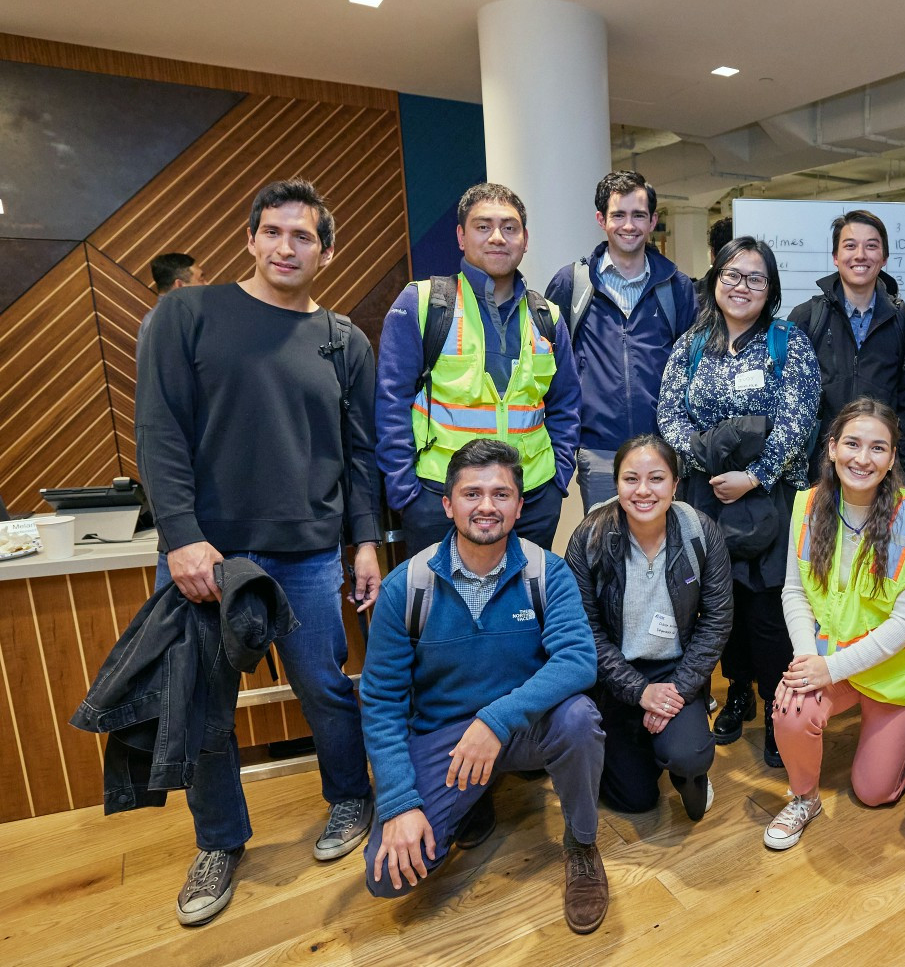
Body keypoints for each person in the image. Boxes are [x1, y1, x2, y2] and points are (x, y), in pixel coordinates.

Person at [135, 178, 381, 926]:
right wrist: (181, 537)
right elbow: (159, 433)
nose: (285, 246)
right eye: (273, 231)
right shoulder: (186, 314)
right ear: (249, 238)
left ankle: (349, 798)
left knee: (325, 689)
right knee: (204, 708)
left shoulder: (344, 340)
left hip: (307, 553)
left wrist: (365, 542)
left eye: (302, 236)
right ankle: (219, 841)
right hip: (209, 555)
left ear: (326, 252)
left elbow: (360, 454)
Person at [358, 439, 609, 934]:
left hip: (522, 727)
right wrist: (398, 803)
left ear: (519, 507)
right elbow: (381, 701)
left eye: (501, 494)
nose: (487, 506)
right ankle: (475, 793)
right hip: (445, 736)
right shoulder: (405, 587)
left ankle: (581, 844)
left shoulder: (546, 572)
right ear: (448, 504)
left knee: (580, 717)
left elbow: (579, 660)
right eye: (472, 494)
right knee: (388, 878)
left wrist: (495, 721)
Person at [657, 236, 820, 767]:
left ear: (769, 288)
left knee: (767, 608)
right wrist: (709, 464)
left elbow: (800, 421)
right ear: (714, 278)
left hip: (769, 496)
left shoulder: (787, 343)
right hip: (706, 494)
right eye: (731, 274)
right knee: (718, 603)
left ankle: (779, 708)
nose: (740, 286)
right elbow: (669, 418)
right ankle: (739, 692)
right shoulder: (692, 345)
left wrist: (752, 474)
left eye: (754, 278)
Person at [766, 398, 905, 849]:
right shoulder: (807, 506)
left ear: (891, 459)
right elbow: (794, 591)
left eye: (877, 448)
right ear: (831, 448)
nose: (862, 459)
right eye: (852, 444)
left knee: (872, 792)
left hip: (894, 674)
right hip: (830, 659)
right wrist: (808, 660)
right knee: (790, 704)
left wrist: (830, 669)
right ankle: (804, 798)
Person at [376, 182, 581, 553]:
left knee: (523, 609)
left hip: (529, 501)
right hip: (440, 499)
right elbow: (391, 402)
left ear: (525, 238)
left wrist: (557, 482)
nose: (498, 238)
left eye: (510, 227)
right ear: (461, 236)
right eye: (483, 226)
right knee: (441, 611)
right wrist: (405, 494)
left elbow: (567, 405)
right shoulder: (424, 304)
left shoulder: (547, 316)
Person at [565, 434, 733, 820]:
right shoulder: (589, 538)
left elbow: (718, 619)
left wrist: (677, 690)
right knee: (635, 800)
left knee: (687, 755)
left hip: (676, 670)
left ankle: (678, 759)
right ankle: (639, 744)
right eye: (630, 479)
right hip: (613, 673)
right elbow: (584, 628)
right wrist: (639, 691)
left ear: (675, 485)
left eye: (656, 479)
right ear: (617, 483)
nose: (643, 491)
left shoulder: (700, 531)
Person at [544, 172, 698, 510]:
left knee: (660, 550)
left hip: (663, 448)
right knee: (604, 549)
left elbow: (693, 370)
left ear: (653, 221)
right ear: (601, 219)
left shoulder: (677, 287)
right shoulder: (572, 283)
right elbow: (549, 368)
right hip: (598, 452)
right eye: (618, 215)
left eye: (639, 215)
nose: (629, 225)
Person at [788, 209, 905, 485]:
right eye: (850, 246)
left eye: (871, 246)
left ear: (884, 258)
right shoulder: (807, 318)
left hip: (880, 472)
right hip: (819, 472)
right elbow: (791, 402)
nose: (860, 255)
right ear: (836, 257)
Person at [137, 252, 207, 358]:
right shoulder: (158, 324)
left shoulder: (199, 312)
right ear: (179, 285)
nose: (207, 284)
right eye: (201, 279)